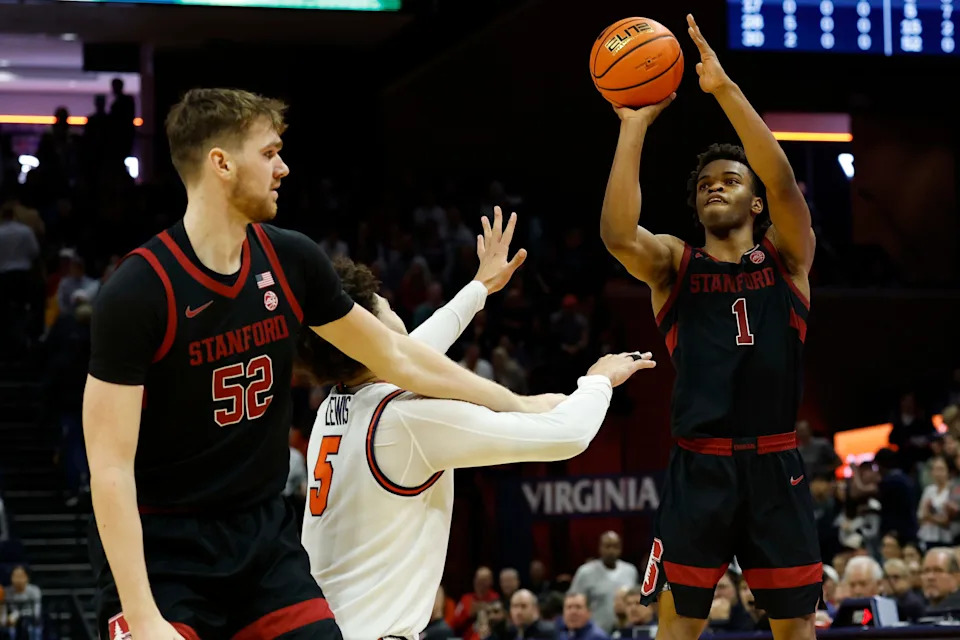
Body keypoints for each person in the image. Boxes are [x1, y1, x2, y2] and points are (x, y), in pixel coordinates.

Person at [83, 88, 562, 640]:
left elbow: (399, 356)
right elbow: (110, 469)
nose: (283, 168)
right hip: (163, 549)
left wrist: (517, 402)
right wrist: (143, 617)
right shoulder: (139, 291)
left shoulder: (291, 259)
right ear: (221, 162)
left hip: (261, 539)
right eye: (269, 153)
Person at [298, 213, 656, 640]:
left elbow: (410, 354)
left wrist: (479, 288)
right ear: (372, 333)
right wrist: (599, 381)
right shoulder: (407, 419)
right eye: (388, 308)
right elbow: (567, 437)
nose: (398, 318)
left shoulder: (332, 407)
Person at [598, 15, 820, 640]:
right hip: (699, 469)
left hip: (777, 465)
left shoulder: (788, 259)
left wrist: (724, 90)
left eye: (729, 182)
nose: (713, 189)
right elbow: (617, 234)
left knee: (796, 632)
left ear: (755, 204)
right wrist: (634, 126)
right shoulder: (675, 265)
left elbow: (780, 176)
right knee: (676, 631)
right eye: (703, 186)